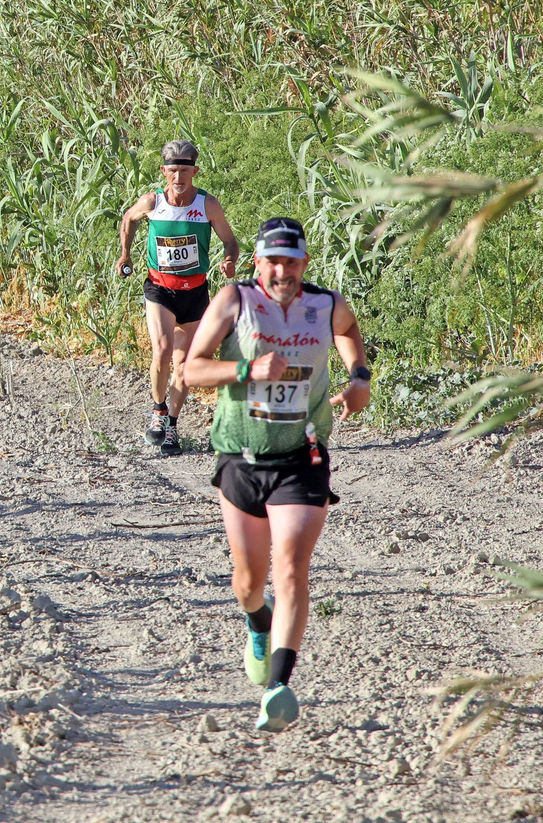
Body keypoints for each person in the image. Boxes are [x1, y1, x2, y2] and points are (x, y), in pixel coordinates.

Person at [183, 218, 371, 732]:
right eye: (273, 261)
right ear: (258, 263)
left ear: (304, 263)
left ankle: (279, 687)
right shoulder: (234, 301)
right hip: (241, 456)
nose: (282, 270)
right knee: (248, 584)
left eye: (291, 261)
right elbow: (192, 370)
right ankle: (257, 621)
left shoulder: (324, 304)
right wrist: (246, 371)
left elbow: (349, 332)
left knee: (290, 569)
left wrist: (358, 378)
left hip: (301, 457)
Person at [117, 140, 239, 455]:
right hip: (159, 288)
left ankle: (171, 426)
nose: (179, 177)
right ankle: (158, 411)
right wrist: (125, 254)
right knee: (162, 348)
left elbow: (230, 240)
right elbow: (128, 219)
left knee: (183, 367)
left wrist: (229, 259)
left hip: (195, 291)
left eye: (185, 170)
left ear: (195, 171)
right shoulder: (152, 202)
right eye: (173, 170)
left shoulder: (208, 204)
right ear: (164, 171)